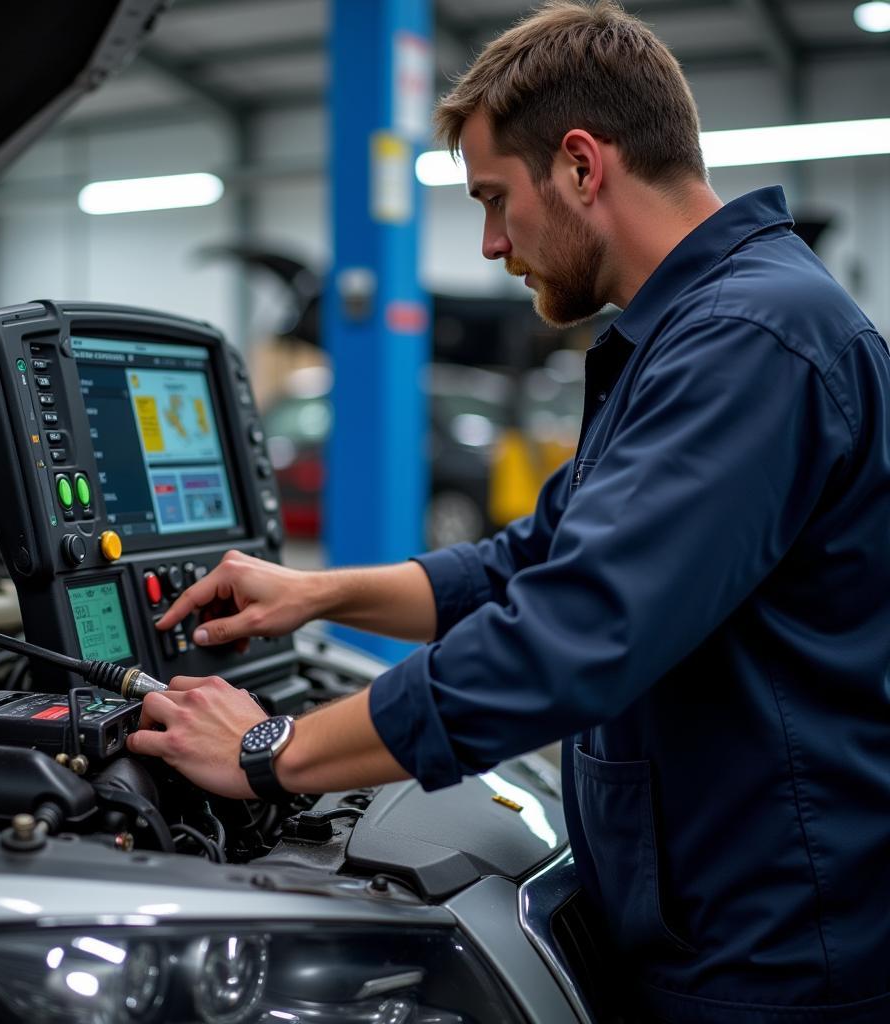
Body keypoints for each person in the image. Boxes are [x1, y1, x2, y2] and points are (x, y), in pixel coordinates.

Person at [127, 2, 890, 1020]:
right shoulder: (693, 333)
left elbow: (574, 630)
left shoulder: (751, 338)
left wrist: (274, 755)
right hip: (712, 909)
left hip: (774, 948)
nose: (490, 243)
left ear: (581, 165)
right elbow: (526, 562)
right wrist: (311, 593)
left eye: (494, 199)